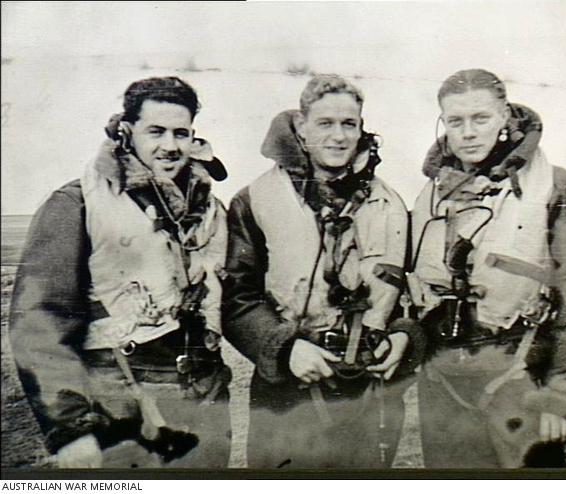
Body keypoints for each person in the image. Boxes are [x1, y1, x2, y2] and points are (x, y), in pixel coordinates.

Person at [9, 76, 232, 468]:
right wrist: (72, 428)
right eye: (156, 131)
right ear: (127, 132)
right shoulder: (77, 204)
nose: (170, 145)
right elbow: (39, 322)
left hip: (202, 405)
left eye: (181, 133)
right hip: (120, 412)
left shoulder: (210, 211)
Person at [406, 68, 566, 468]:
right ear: (443, 124)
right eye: (456, 121)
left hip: (519, 379)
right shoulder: (430, 196)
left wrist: (562, 396)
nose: (468, 132)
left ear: (504, 117)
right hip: (442, 384)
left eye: (480, 118)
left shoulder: (556, 187)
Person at [223, 74, 424, 468]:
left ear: (361, 128)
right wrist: (285, 350)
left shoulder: (390, 203)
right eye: (325, 124)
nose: (338, 136)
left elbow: (408, 291)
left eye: (349, 124)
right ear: (301, 126)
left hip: (370, 390)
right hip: (289, 390)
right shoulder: (256, 200)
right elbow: (236, 297)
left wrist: (402, 336)